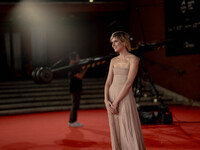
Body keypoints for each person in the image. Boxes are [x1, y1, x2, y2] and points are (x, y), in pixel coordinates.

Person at [104, 31, 146, 150]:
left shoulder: (134, 59)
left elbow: (128, 83)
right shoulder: (113, 61)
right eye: (112, 42)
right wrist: (106, 100)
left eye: (116, 41)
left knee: (128, 128)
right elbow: (107, 83)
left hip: (125, 97)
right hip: (111, 98)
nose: (113, 45)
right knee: (116, 129)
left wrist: (116, 102)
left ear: (124, 42)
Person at [68, 51, 87, 127]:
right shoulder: (72, 67)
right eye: (78, 57)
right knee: (74, 105)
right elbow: (80, 76)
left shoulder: (74, 66)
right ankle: (72, 121)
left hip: (76, 88)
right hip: (74, 88)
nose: (79, 59)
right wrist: (85, 69)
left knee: (75, 104)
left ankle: (73, 120)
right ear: (74, 58)